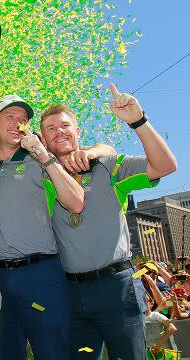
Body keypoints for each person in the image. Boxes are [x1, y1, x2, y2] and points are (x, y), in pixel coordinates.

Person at [40, 84, 177, 359]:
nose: (60, 133)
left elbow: (165, 166)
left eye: (65, 126)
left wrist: (138, 121)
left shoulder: (108, 165)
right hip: (72, 292)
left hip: (117, 286)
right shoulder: (41, 177)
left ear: (77, 132)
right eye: (51, 129)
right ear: (42, 140)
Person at [0, 94, 92, 359]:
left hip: (41, 274)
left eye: (23, 119)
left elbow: (77, 202)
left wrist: (45, 156)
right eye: (9, 117)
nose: (17, 123)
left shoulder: (38, 161)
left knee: (52, 352)